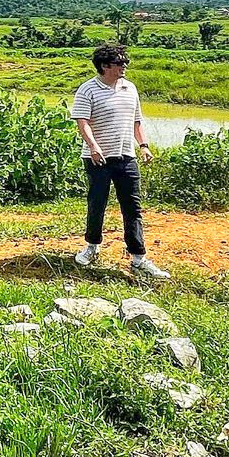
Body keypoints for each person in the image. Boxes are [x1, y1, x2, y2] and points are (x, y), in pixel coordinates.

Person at [70, 43, 168, 280]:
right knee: (97, 203)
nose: (125, 66)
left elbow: (137, 121)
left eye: (126, 62)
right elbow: (82, 122)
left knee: (132, 207)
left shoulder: (130, 88)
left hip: (126, 156)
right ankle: (92, 247)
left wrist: (143, 145)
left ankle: (138, 258)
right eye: (120, 63)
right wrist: (93, 147)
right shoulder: (87, 90)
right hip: (98, 159)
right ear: (105, 66)